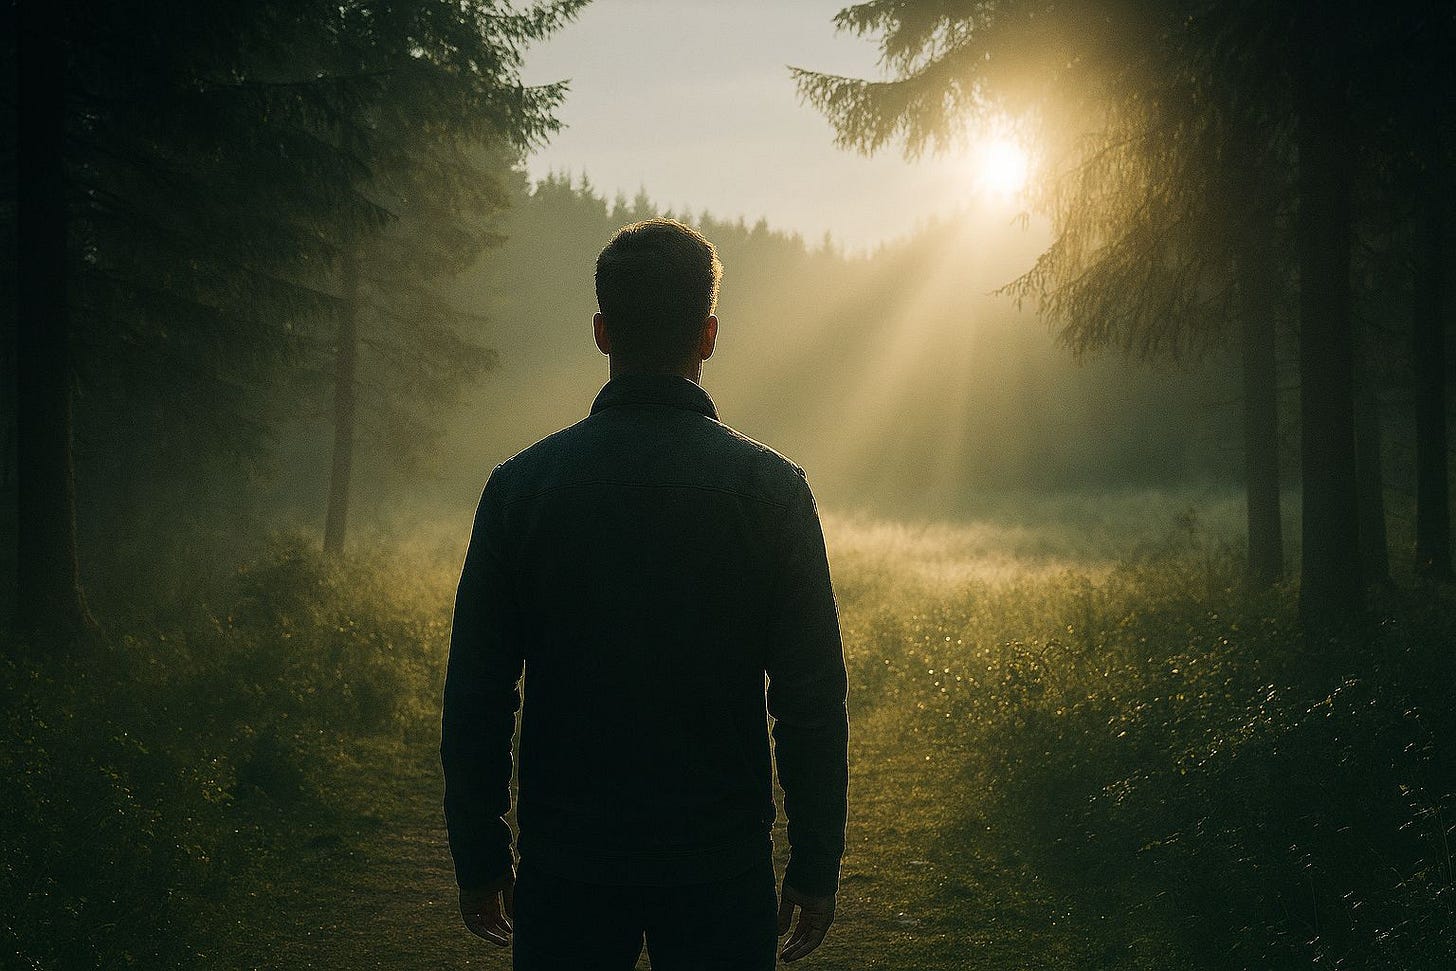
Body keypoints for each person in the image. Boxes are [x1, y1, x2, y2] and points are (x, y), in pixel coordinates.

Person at [441, 218, 849, 970]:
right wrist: (815, 863)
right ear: (709, 333)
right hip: (719, 864)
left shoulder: (521, 490)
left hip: (568, 864)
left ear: (601, 331)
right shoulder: (772, 493)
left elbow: (477, 691)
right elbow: (810, 697)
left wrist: (480, 852)